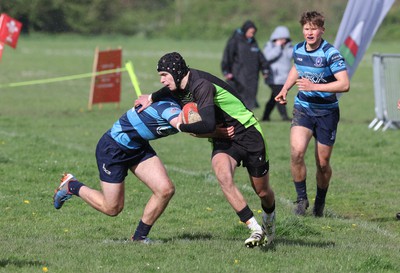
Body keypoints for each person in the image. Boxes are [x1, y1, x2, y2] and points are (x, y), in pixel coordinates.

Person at [135, 52, 276, 247]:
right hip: (223, 136)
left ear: (176, 72)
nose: (162, 80)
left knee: (262, 192)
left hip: (247, 132)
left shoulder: (201, 85)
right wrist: (150, 97)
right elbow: (168, 92)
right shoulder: (179, 84)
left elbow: (207, 125)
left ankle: (269, 218)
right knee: (223, 176)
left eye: (164, 75)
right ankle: (255, 228)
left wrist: (180, 126)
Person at [53, 99, 183, 244]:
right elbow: (184, 124)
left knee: (165, 190)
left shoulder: (188, 99)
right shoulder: (169, 107)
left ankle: (139, 237)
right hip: (113, 149)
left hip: (138, 147)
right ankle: (72, 186)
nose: (162, 80)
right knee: (112, 208)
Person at [275, 11, 350, 217]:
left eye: (314, 28)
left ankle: (320, 202)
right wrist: (285, 89)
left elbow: (344, 84)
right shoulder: (298, 48)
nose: (310, 32)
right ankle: (301, 200)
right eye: (306, 28)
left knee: (323, 163)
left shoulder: (330, 53)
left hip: (327, 113)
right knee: (296, 152)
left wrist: (314, 85)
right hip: (304, 108)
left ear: (322, 30)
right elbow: (297, 68)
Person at [221, 20, 270, 110]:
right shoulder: (235, 40)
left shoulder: (253, 41)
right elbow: (227, 55)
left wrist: (265, 69)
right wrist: (226, 71)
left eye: (253, 33)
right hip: (239, 75)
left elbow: (259, 56)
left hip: (253, 76)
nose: (252, 34)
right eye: (250, 32)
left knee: (251, 98)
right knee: (240, 98)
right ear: (245, 30)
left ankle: (248, 119)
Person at [262, 26, 293, 121]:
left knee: (273, 99)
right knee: (280, 97)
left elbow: (291, 56)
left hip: (284, 77)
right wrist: (278, 47)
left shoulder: (289, 47)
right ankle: (284, 116)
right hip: (274, 78)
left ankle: (265, 117)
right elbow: (267, 57)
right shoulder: (269, 46)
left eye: (285, 39)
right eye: (281, 38)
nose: (283, 40)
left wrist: (287, 47)